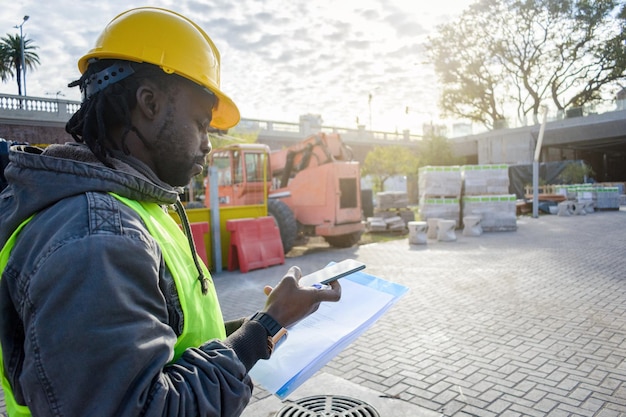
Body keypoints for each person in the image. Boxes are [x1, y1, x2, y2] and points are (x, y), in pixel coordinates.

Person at [0, 7, 341, 417]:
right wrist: (263, 329)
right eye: (200, 123)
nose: (208, 144)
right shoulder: (96, 238)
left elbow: (168, 347)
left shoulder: (140, 209)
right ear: (149, 103)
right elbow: (144, 408)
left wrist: (267, 323)